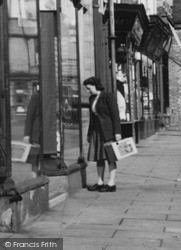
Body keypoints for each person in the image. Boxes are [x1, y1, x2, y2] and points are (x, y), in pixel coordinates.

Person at [83, 77, 122, 192]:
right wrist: (89, 133)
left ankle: (111, 183)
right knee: (99, 157)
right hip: (96, 131)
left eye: (89, 88)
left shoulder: (108, 96)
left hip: (108, 131)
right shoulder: (92, 98)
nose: (88, 91)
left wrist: (117, 132)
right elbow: (92, 117)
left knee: (110, 156)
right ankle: (100, 182)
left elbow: (115, 115)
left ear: (96, 85)